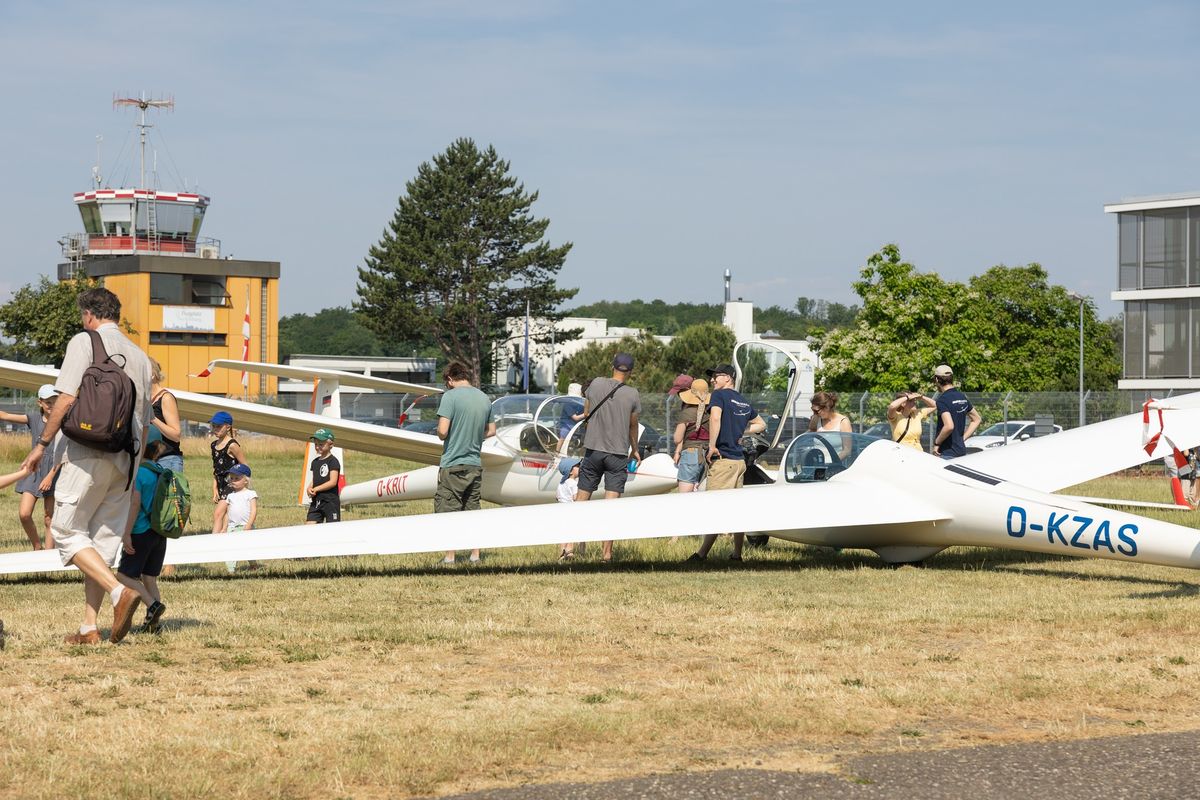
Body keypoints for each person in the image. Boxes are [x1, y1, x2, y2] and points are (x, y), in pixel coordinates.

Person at [20, 287, 154, 645]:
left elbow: (65, 398)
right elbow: (145, 418)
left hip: (86, 452)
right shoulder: (140, 356)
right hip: (125, 461)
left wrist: (42, 445)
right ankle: (89, 628)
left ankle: (117, 592)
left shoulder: (85, 340)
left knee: (65, 531)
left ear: (89, 315)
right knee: (95, 543)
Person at [688, 364, 766, 563]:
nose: (713, 380)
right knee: (735, 510)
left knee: (715, 508)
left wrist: (712, 446)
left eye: (716, 376)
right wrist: (742, 432)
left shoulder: (719, 396)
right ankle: (737, 554)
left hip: (723, 461)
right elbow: (761, 424)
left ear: (728, 378)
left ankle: (701, 555)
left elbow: (715, 418)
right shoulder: (742, 401)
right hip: (739, 462)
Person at [576, 353, 642, 563]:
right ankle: (606, 555)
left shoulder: (595, 384)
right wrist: (635, 448)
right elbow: (633, 425)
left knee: (581, 500)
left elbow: (587, 412)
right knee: (610, 508)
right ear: (630, 372)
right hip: (617, 453)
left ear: (612, 365)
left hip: (593, 449)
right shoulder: (632, 394)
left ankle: (571, 547)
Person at [435, 362, 496, 564]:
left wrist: (444, 432)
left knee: (448, 509)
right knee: (472, 509)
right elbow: (492, 430)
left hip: (453, 462)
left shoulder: (449, 397)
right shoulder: (484, 398)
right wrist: (473, 436)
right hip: (474, 462)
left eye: (447, 382)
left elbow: (443, 432)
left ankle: (450, 556)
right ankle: (475, 554)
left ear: (450, 379)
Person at [116, 441, 172, 634]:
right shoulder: (161, 472)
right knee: (150, 579)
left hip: (140, 530)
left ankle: (152, 605)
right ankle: (153, 625)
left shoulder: (139, 473)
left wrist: (126, 533)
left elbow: (135, 503)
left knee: (123, 575)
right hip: (159, 531)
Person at [0, 384, 61, 550]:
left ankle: (48, 556)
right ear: (40, 402)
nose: (52, 405)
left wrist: (50, 476)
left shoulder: (63, 423)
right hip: (33, 470)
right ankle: (37, 547)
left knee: (49, 518)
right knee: (24, 514)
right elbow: (5, 415)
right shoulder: (33, 418)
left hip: (54, 471)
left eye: (55, 401)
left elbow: (64, 454)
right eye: (48, 401)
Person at [932, 365, 981, 459]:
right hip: (961, 452)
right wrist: (962, 439)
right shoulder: (961, 396)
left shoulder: (942, 400)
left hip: (947, 453)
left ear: (937, 380)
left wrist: (937, 443)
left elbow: (949, 426)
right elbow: (977, 419)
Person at [209, 411, 246, 533]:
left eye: (218, 426)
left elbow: (244, 466)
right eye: (213, 426)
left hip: (231, 484)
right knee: (225, 516)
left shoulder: (232, 445)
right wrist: (214, 488)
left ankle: (212, 540)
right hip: (220, 484)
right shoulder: (214, 445)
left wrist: (240, 485)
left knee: (218, 514)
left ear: (228, 427)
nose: (215, 429)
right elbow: (216, 470)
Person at [673, 377, 711, 494]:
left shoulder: (687, 413)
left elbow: (677, 438)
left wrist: (677, 450)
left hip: (691, 453)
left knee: (685, 494)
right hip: (706, 454)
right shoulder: (711, 413)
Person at [147, 358, 184, 474]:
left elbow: (176, 435)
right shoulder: (147, 399)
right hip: (150, 460)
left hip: (167, 460)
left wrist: (152, 418)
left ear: (152, 374)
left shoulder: (166, 398)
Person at [224, 463, 259, 571]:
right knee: (231, 549)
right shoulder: (230, 496)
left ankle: (253, 565)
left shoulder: (250, 494)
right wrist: (224, 527)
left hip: (245, 526)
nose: (233, 481)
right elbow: (227, 513)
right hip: (232, 527)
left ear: (246, 480)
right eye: (232, 478)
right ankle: (231, 570)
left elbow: (253, 510)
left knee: (248, 548)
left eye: (237, 478)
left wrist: (249, 525)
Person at [306, 428, 341, 524]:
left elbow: (333, 482)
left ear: (331, 445)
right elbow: (315, 479)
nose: (317, 447)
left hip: (330, 501)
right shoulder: (315, 462)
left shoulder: (333, 461)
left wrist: (317, 489)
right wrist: (309, 488)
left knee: (332, 529)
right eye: (316, 444)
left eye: (321, 444)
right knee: (309, 526)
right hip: (316, 501)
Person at [808, 391, 853, 459]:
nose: (814, 413)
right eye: (813, 410)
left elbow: (847, 450)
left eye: (816, 411)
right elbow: (809, 436)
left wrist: (832, 463)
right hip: (817, 465)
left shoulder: (843, 422)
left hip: (836, 466)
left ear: (826, 408)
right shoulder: (816, 418)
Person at [556, 457, 581, 561]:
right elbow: (575, 498)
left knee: (563, 532)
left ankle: (561, 553)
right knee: (572, 531)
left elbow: (557, 496)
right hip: (570, 511)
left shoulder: (561, 483)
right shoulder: (573, 483)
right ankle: (569, 553)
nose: (580, 468)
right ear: (571, 471)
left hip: (561, 509)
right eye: (577, 466)